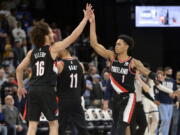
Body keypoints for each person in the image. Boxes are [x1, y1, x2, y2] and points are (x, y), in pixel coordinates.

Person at [16, 4, 92, 135]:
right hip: (46, 90)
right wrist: (85, 19)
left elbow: (19, 69)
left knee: (32, 126)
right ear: (45, 35)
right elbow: (73, 36)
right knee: (54, 124)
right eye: (51, 31)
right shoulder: (52, 49)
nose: (53, 33)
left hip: (32, 90)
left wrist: (21, 87)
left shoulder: (31, 52)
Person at [88, 9, 158, 135]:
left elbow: (146, 71)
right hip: (115, 99)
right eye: (116, 44)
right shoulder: (111, 56)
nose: (116, 46)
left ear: (126, 46)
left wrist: (155, 76)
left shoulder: (133, 62)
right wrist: (92, 22)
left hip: (128, 98)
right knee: (115, 127)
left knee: (119, 129)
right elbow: (94, 44)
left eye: (119, 44)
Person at [55, 47, 89, 135]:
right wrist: (78, 95)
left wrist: (57, 95)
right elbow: (83, 85)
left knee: (61, 127)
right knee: (82, 127)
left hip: (64, 100)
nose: (57, 51)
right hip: (76, 99)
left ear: (64, 49)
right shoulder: (80, 64)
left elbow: (54, 84)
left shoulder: (60, 64)